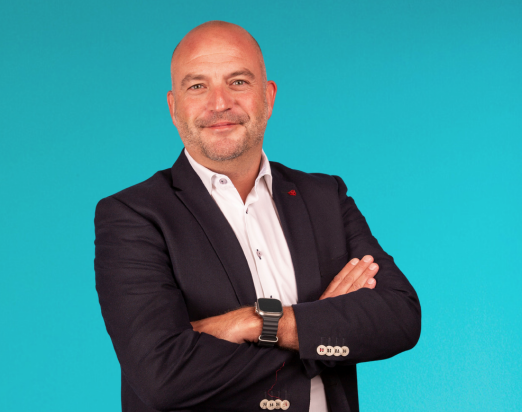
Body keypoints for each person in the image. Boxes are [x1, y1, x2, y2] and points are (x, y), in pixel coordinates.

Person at [94, 20, 421, 412]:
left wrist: (256, 322)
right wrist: (319, 327)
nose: (219, 103)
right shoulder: (132, 215)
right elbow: (162, 376)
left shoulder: (325, 197)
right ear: (173, 107)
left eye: (238, 82)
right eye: (197, 86)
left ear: (268, 97)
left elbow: (399, 316)